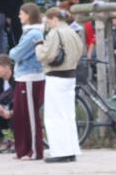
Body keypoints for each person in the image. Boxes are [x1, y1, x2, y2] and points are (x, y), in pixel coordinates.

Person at [35, 8, 84, 163]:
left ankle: (60, 151)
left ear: (54, 19)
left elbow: (46, 55)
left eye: (48, 21)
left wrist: (38, 46)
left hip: (56, 76)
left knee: (54, 116)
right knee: (68, 115)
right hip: (70, 75)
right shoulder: (71, 31)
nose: (47, 25)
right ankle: (71, 150)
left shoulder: (55, 33)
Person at [8, 3, 46, 160]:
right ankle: (23, 149)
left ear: (29, 15)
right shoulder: (30, 33)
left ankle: (34, 151)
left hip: (31, 77)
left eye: (21, 13)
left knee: (30, 116)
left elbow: (15, 54)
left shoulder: (33, 34)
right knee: (20, 115)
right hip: (24, 77)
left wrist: (12, 51)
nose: (19, 16)